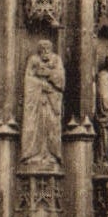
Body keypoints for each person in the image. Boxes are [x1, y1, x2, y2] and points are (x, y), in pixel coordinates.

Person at [20, 38, 65, 167]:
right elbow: (28, 80)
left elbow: (61, 80)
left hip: (52, 102)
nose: (45, 52)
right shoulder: (33, 60)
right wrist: (41, 85)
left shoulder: (56, 60)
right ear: (39, 50)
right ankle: (33, 154)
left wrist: (49, 74)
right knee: (34, 125)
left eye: (48, 49)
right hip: (36, 101)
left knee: (51, 125)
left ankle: (51, 155)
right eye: (42, 49)